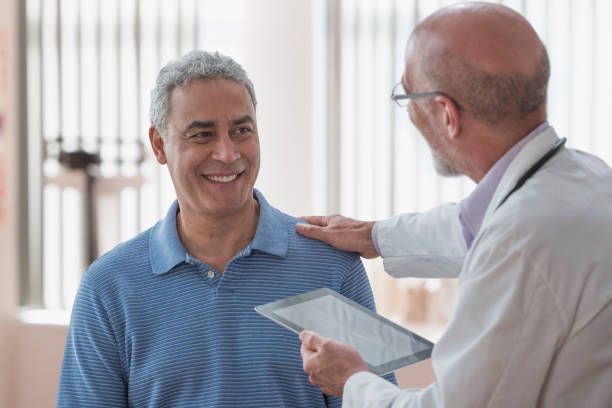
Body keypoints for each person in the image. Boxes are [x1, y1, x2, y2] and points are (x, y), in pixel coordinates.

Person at [296, 2, 612, 407]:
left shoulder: (521, 240)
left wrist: (352, 380)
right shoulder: (585, 177)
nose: (409, 112)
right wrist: (372, 236)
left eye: (408, 96)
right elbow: (469, 227)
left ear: (447, 113)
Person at [57, 50, 392, 407]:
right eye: (202, 135)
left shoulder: (333, 269)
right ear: (159, 145)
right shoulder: (109, 288)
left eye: (241, 130)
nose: (228, 153)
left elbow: (374, 401)